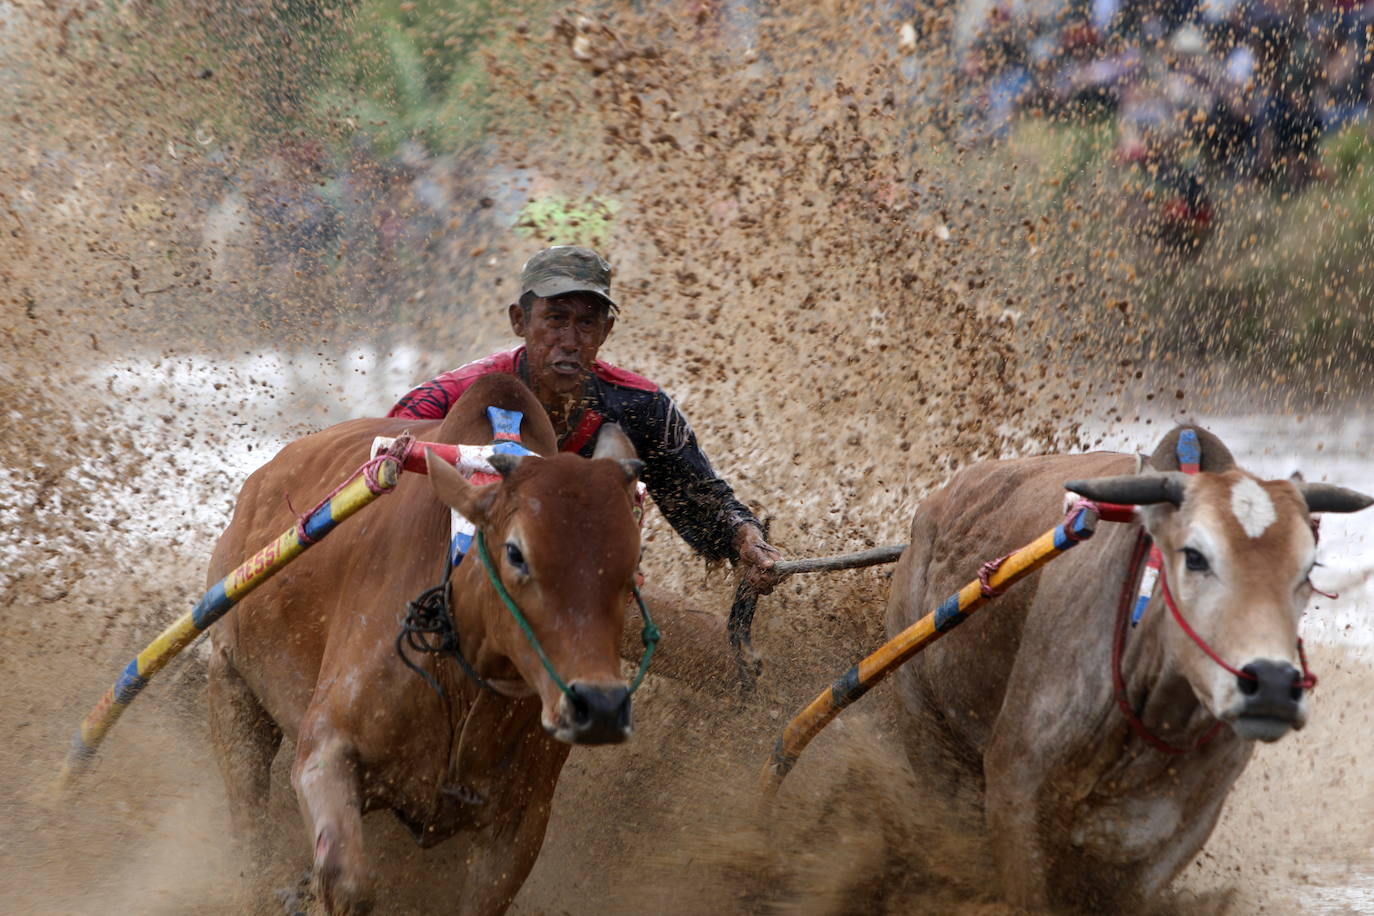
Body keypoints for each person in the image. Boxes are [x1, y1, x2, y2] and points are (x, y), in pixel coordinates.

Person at [389, 246, 782, 687]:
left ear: (606, 330)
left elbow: (705, 503)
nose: (571, 340)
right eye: (555, 319)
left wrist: (745, 540)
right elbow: (382, 471)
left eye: (587, 322)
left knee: (742, 673)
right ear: (520, 320)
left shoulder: (639, 407)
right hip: (453, 592)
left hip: (586, 595)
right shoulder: (450, 395)